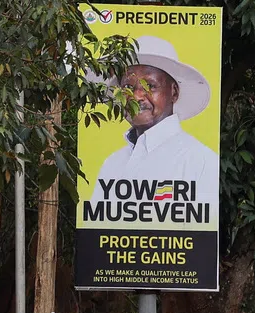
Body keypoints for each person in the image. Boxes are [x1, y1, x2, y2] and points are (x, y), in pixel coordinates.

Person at [89, 36, 218, 212]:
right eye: (127, 87)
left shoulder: (199, 160)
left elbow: (202, 233)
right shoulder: (112, 163)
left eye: (150, 86)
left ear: (174, 92)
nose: (136, 96)